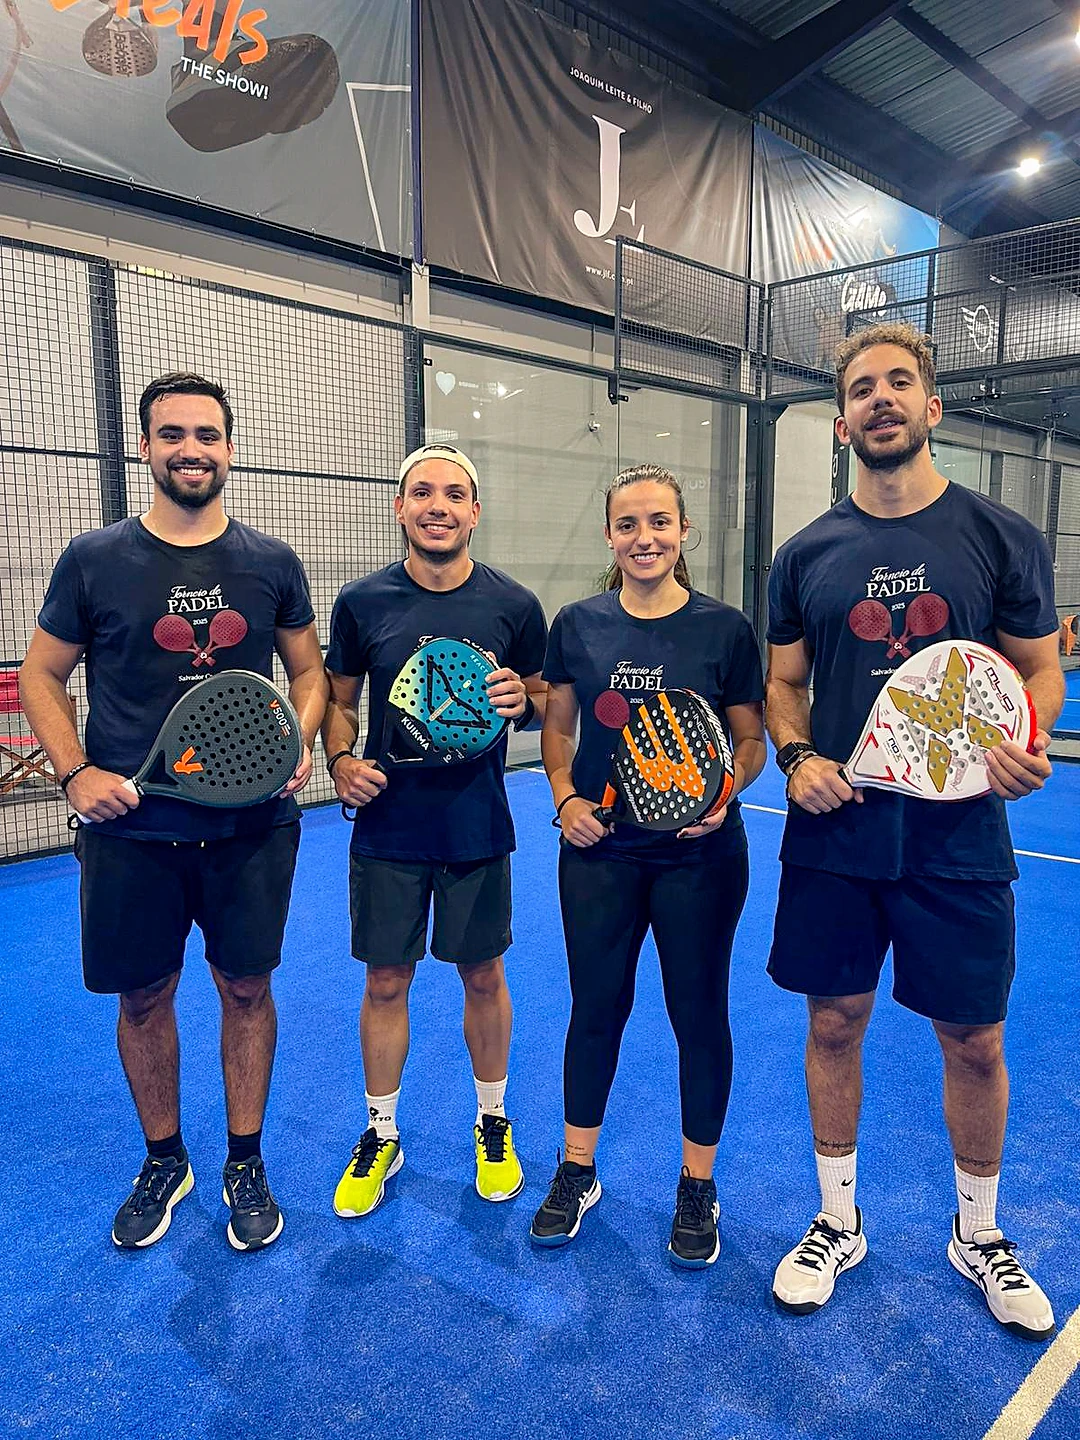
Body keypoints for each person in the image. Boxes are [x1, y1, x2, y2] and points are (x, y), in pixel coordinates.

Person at [766, 323, 1064, 1338]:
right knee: (833, 1023)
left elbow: (1037, 667)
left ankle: (978, 1233)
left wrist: (1031, 734)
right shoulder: (803, 554)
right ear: (842, 420)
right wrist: (797, 759)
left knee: (974, 1038)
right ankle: (836, 1221)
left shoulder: (999, 536)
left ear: (933, 408)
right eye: (861, 388)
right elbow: (784, 682)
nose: (880, 399)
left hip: (960, 837)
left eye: (900, 383)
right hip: (838, 835)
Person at [19, 373, 327, 1253]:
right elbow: (42, 675)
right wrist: (74, 773)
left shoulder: (271, 563)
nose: (191, 449)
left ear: (230, 448)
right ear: (145, 449)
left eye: (207, 434)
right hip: (131, 830)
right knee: (145, 995)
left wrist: (296, 740)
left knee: (246, 987)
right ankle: (164, 1159)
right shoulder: (92, 558)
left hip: (251, 827)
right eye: (172, 435)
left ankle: (244, 1159)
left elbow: (307, 675)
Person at [529, 463, 766, 1266]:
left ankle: (697, 1184)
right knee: (596, 1009)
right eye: (628, 525)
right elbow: (557, 728)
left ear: (684, 532)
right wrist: (564, 800)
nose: (645, 538)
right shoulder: (578, 624)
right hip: (600, 855)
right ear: (609, 535)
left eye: (659, 522)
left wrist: (725, 793)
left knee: (697, 1015)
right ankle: (577, 1168)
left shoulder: (724, 629)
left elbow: (751, 738)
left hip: (699, 860)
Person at [322, 443, 547, 1216]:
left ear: (475, 511)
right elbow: (340, 701)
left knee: (483, 975)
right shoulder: (361, 604)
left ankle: (493, 1121)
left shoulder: (514, 606)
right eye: (423, 493)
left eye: (455, 494)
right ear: (400, 508)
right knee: (386, 980)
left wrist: (528, 698)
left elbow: (546, 700)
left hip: (477, 825)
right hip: (387, 826)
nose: (438, 506)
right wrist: (340, 759)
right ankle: (382, 1133)